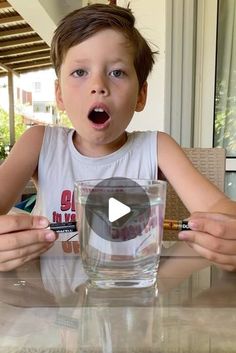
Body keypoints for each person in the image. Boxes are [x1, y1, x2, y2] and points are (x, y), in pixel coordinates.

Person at [0, 3, 236, 272]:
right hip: (55, 306)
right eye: (80, 72)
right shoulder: (39, 142)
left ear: (140, 96)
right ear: (60, 95)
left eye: (117, 72)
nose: (98, 86)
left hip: (132, 297)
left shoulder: (157, 147)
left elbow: (218, 209)